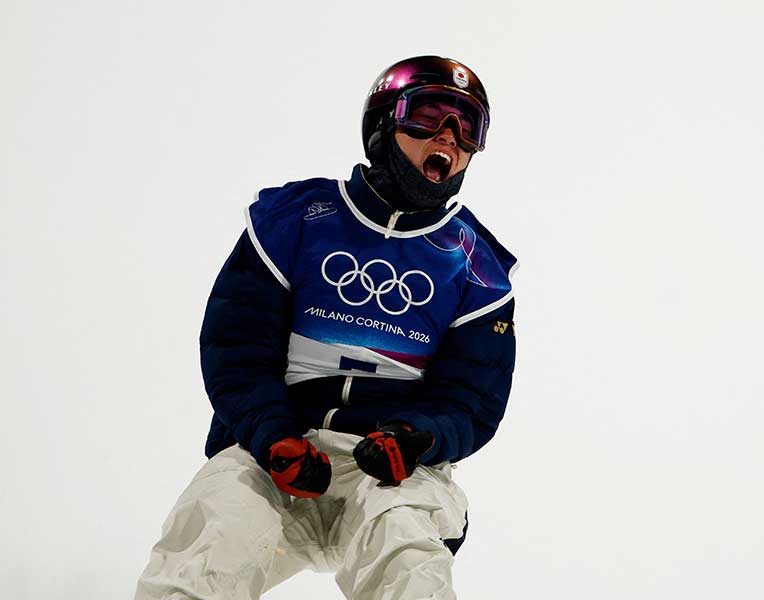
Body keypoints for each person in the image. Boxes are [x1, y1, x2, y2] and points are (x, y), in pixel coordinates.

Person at [134, 55, 517, 600]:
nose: (448, 137)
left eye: (467, 127)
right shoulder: (296, 219)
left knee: (406, 544)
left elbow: (472, 396)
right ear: (383, 123)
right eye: (428, 115)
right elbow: (237, 347)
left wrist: (414, 437)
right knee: (217, 529)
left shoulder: (477, 267)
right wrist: (273, 437)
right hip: (279, 455)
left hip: (389, 468)